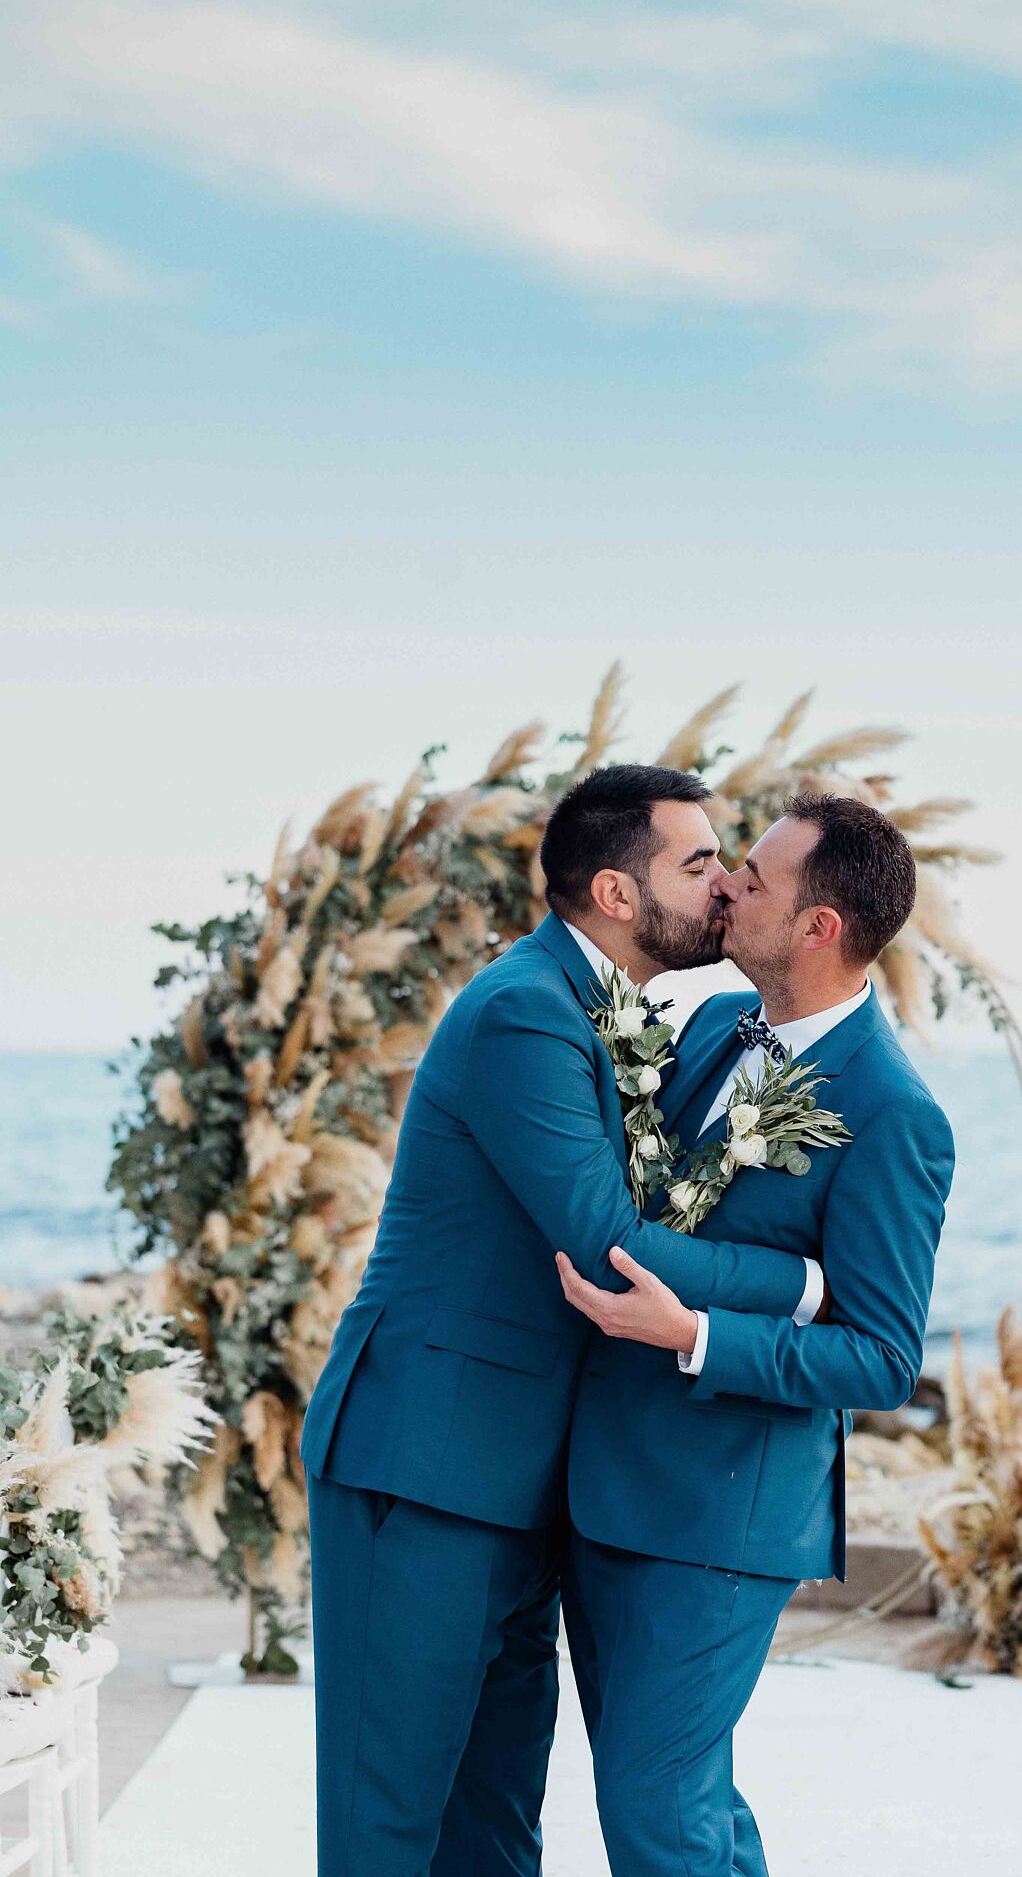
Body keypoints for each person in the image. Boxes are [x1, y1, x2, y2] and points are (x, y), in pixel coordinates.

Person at [300, 764, 826, 1877]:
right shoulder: (523, 1011)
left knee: (493, 1823)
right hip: (424, 1460)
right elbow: (602, 1235)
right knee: (387, 1818)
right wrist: (802, 1286)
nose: (725, 881)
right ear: (616, 894)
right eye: (696, 862)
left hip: (526, 1482)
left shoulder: (620, 1013)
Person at [556, 791, 954, 1877]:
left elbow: (879, 1355)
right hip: (611, 1487)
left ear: (817, 928)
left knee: (656, 1802)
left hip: (721, 1513)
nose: (726, 884)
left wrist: (696, 1330)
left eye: (757, 879)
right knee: (678, 1797)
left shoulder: (892, 1110)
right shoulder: (708, 1031)